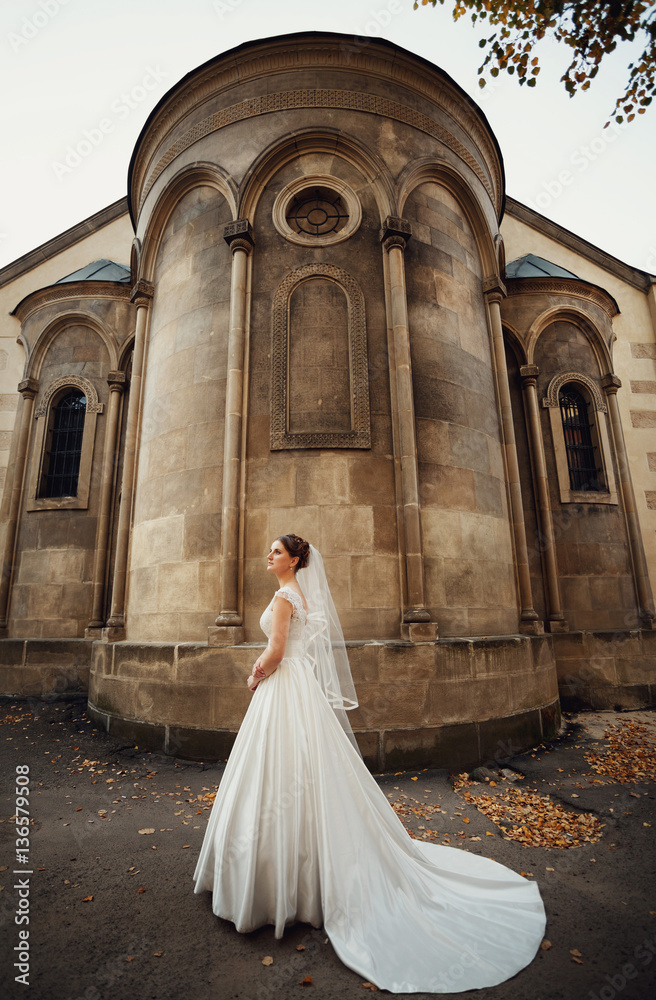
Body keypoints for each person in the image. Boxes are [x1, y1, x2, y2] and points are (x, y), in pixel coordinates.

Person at [193, 534, 547, 993]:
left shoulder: (284, 596)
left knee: (284, 773)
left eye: (277, 551)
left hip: (284, 683)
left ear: (296, 559)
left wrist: (254, 673)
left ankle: (279, 884)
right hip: (300, 686)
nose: (270, 556)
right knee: (305, 770)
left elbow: (278, 651)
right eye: (271, 551)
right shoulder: (300, 594)